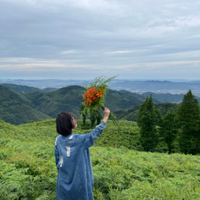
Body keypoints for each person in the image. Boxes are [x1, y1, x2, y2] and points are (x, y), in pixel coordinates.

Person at [54, 108, 110, 200]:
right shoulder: (78, 140)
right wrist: (106, 116)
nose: (75, 120)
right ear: (67, 123)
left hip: (63, 180)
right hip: (79, 182)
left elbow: (57, 161)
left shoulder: (58, 140)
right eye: (72, 119)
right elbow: (94, 134)